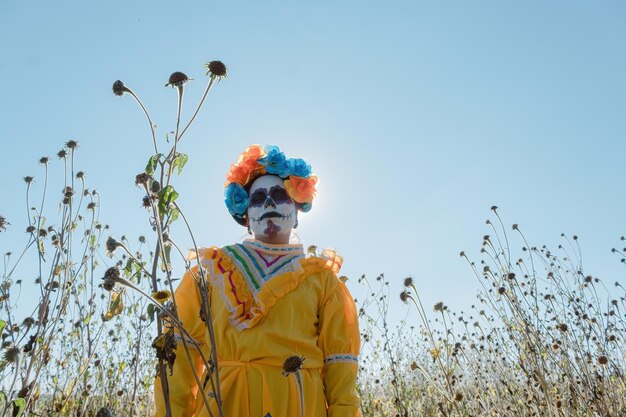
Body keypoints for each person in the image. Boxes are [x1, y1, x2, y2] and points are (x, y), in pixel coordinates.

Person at [154, 145, 361, 417]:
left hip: (299, 406)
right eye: (258, 198)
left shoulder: (323, 281)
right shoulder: (210, 274)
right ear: (246, 216)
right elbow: (180, 356)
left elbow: (340, 369)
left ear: (298, 211)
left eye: (279, 194)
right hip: (225, 403)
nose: (269, 204)